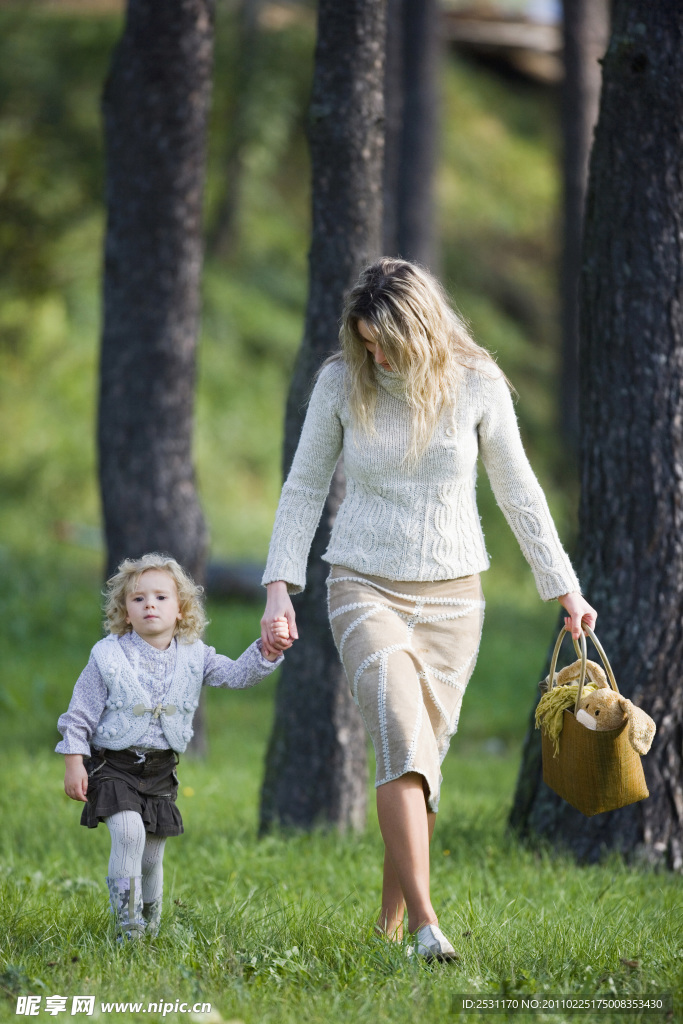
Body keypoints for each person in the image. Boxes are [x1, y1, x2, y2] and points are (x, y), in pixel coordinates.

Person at [260, 258, 596, 962]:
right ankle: (424, 925)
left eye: (384, 343)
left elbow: (518, 490)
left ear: (418, 330)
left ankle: (388, 927)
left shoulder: (476, 384)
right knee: (399, 731)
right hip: (362, 585)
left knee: (418, 763)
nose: (374, 355)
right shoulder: (340, 382)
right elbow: (301, 488)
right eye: (364, 342)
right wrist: (277, 589)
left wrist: (562, 586)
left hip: (453, 600)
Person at [57, 552, 290, 940]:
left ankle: (151, 924)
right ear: (125, 611)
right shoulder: (108, 657)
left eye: (161, 597)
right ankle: (127, 925)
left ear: (181, 609)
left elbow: (235, 675)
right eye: (138, 598)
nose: (150, 604)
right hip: (113, 765)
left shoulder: (195, 656)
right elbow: (80, 713)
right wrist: (74, 761)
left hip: (160, 770)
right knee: (129, 834)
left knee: (151, 854)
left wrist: (267, 651)